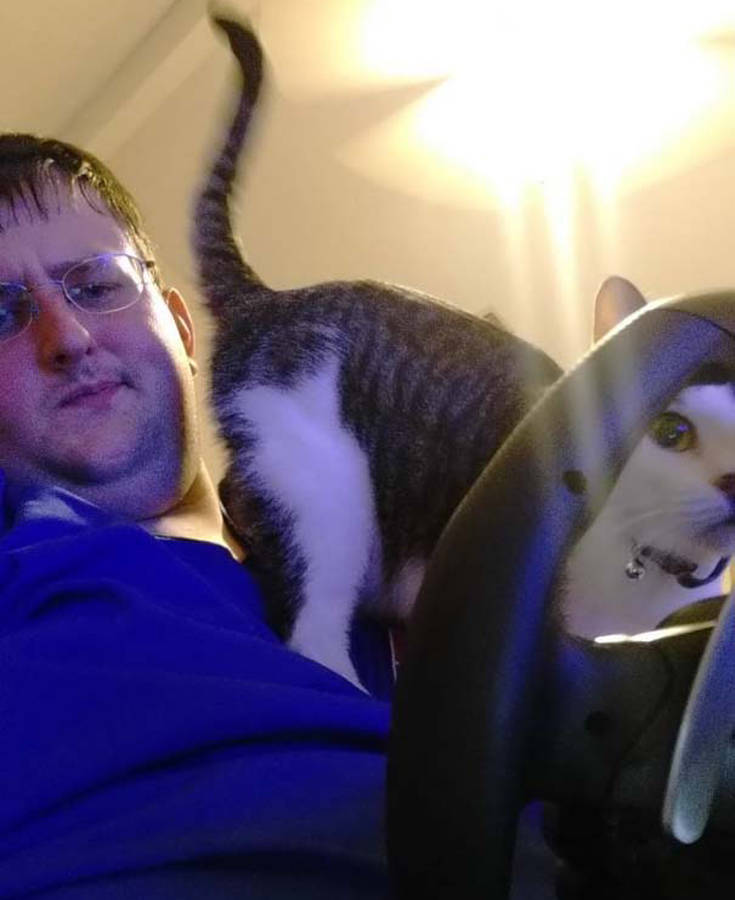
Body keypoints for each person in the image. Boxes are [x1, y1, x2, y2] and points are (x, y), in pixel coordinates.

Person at [0, 134, 394, 899]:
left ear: (182, 329)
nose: (67, 338)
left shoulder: (380, 565)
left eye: (97, 284)